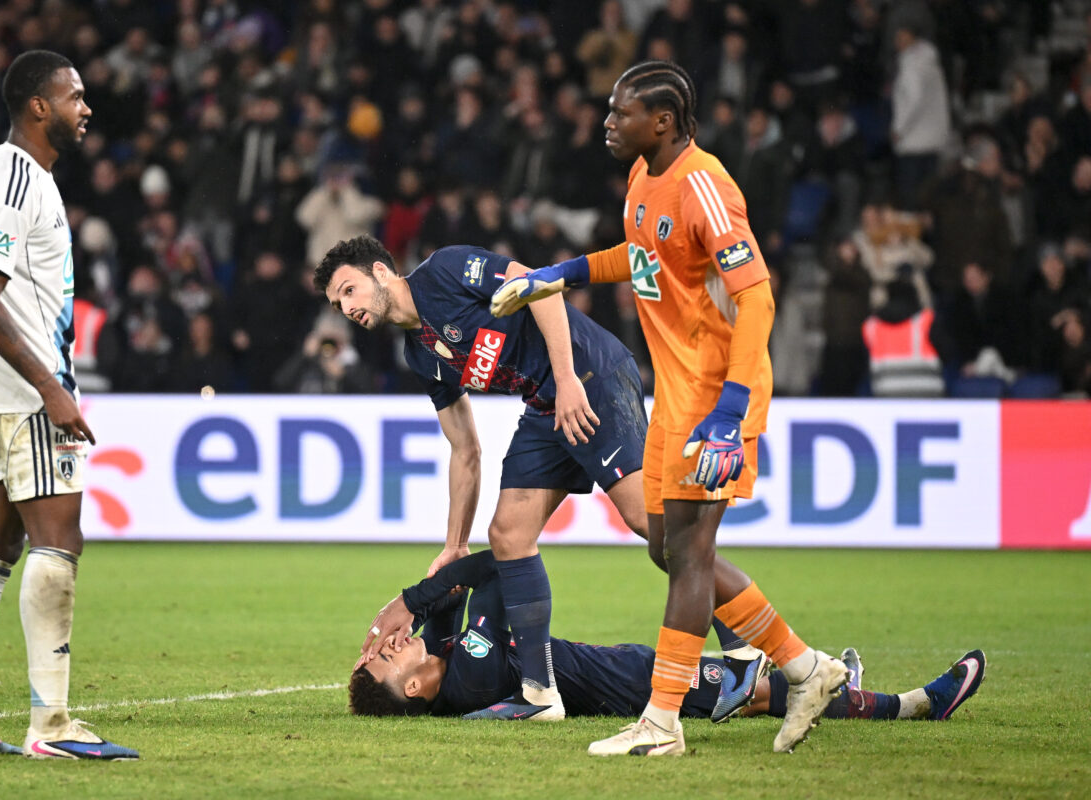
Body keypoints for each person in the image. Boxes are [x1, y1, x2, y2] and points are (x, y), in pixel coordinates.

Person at [491, 60, 848, 755]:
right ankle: (806, 668)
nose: (606, 123)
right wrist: (557, 275)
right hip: (676, 392)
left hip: (717, 396)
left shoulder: (706, 185)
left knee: (688, 553)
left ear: (661, 121)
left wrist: (731, 409)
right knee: (664, 546)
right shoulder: (644, 177)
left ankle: (661, 723)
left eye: (620, 113)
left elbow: (758, 295)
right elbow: (640, 255)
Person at [316, 235, 764, 726]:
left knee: (648, 523)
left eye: (348, 290)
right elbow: (465, 449)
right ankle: (540, 693)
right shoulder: (422, 355)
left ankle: (744, 650)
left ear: (381, 272)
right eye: (338, 302)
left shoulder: (444, 272)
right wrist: (453, 544)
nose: (346, 308)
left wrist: (568, 378)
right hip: (545, 406)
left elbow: (542, 288)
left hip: (588, 375)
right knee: (508, 534)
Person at [0, 50, 137, 761]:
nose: (86, 107)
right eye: (75, 96)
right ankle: (53, 724)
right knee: (59, 539)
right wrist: (50, 387)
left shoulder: (23, 176)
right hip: (24, 391)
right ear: (38, 106)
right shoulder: (13, 173)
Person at [349, 551, 986, 730]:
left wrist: (422, 599)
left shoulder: (445, 667)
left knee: (703, 583)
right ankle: (915, 704)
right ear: (411, 687)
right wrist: (418, 598)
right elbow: (492, 568)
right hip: (640, 687)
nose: (387, 645)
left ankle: (810, 665)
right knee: (767, 692)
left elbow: (444, 598)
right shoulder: (474, 676)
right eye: (385, 660)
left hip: (628, 666)